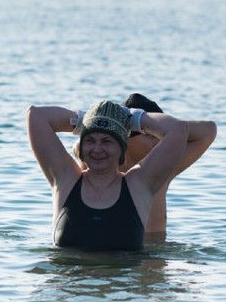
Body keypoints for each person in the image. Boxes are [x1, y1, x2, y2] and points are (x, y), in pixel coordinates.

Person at [26, 99, 190, 251]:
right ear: (82, 145)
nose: (97, 149)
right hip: (71, 281)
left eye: (107, 141)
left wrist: (133, 118)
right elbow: (35, 115)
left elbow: (179, 129)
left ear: (122, 147)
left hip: (123, 282)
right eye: (90, 140)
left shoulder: (138, 184)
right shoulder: (65, 179)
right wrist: (88, 118)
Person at [71, 93, 217, 241]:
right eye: (150, 134)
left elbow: (208, 130)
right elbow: (80, 146)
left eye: (162, 134)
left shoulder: (163, 170)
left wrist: (140, 120)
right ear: (125, 139)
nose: (161, 141)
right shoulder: (95, 170)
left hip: (152, 255)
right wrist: (94, 121)